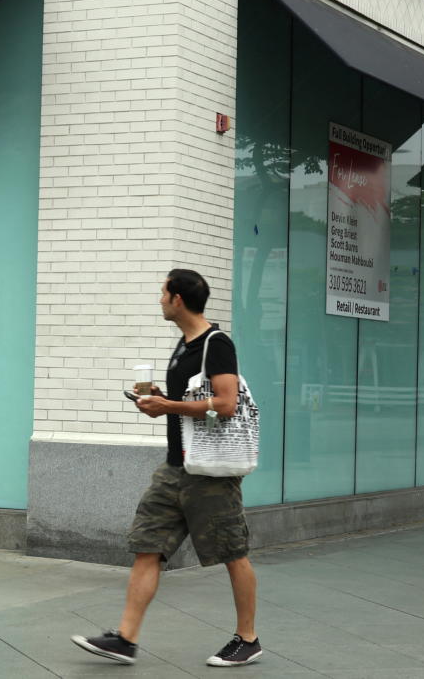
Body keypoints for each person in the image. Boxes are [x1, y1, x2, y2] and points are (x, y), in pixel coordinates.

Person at [71, 268, 261, 668]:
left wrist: (169, 406)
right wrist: (159, 399)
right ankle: (125, 639)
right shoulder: (184, 345)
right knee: (148, 547)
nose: (159, 299)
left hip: (210, 475)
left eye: (162, 294)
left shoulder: (216, 343)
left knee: (233, 553)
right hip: (174, 468)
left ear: (178, 299)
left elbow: (225, 404)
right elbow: (191, 402)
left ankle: (248, 638)